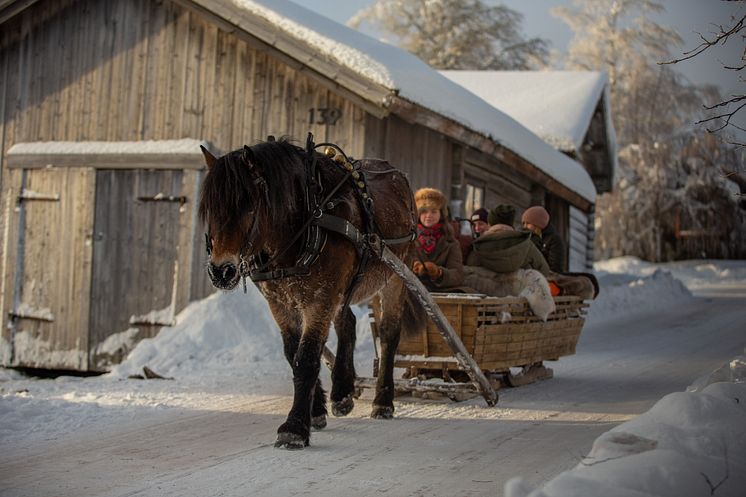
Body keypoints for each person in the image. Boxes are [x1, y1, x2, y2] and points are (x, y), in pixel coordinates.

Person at [412, 187, 464, 292]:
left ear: (441, 214)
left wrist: (438, 273)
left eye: (434, 211)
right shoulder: (408, 239)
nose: (428, 216)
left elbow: (458, 275)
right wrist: (413, 267)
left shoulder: (451, 242)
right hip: (412, 291)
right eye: (424, 211)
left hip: (441, 292)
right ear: (418, 214)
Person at [521, 205, 567, 273]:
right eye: (523, 223)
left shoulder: (554, 240)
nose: (525, 226)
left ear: (538, 224)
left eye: (528, 223)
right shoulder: (528, 238)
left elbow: (556, 267)